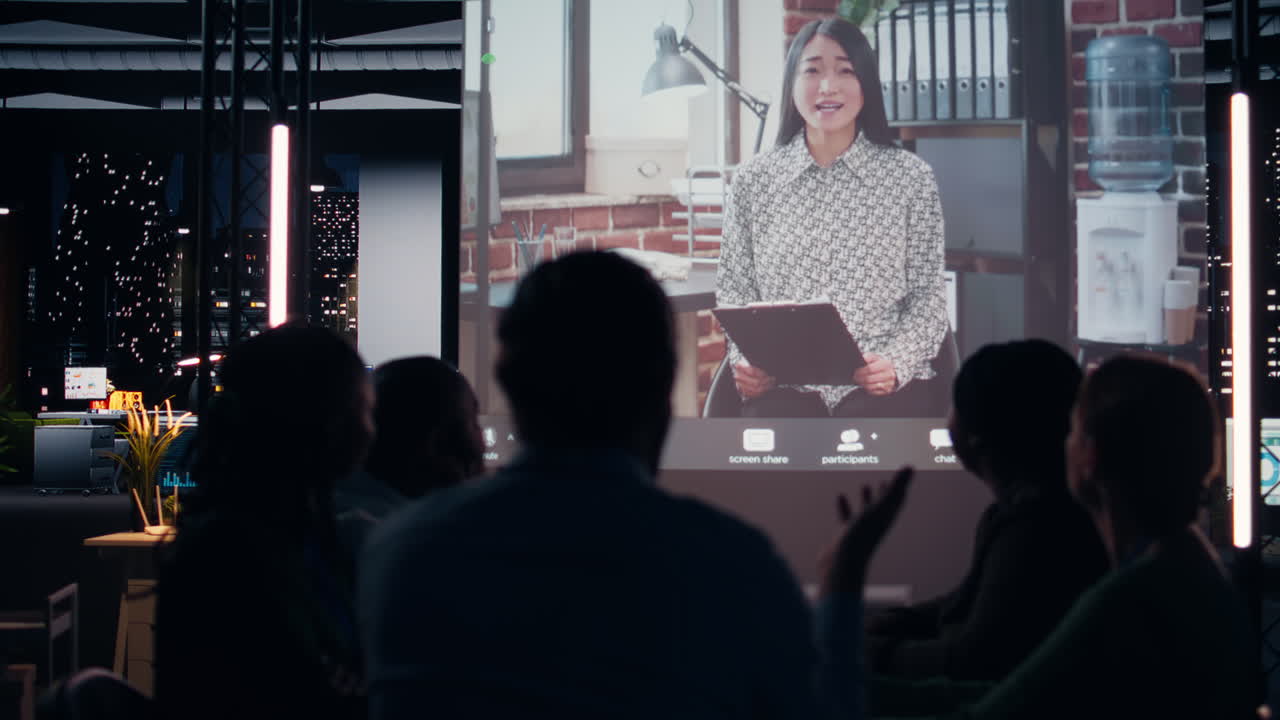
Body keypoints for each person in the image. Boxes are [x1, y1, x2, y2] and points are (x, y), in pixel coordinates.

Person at [358, 250, 894, 719]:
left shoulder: (400, 552)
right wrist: (842, 586)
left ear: (507, 387)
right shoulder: (730, 565)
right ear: (663, 387)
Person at [872, 355, 1257, 719]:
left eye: (1072, 430)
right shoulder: (1187, 566)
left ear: (1090, 455)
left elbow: (994, 710)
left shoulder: (1131, 599)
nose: (1062, 443)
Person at [717, 17, 948, 419]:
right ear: (792, 82)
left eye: (845, 70)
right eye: (812, 71)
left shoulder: (911, 179)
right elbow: (735, 292)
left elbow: (929, 299)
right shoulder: (752, 182)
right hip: (783, 386)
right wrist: (745, 362)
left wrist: (895, 363)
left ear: (866, 84)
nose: (827, 86)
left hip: (882, 387)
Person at [155, 325, 373, 720]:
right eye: (364, 409)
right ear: (322, 420)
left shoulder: (253, 532)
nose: (372, 430)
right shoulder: (241, 557)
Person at [866, 340, 1108, 682]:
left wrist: (868, 653)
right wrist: (891, 621)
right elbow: (968, 604)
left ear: (974, 436)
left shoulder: (1033, 530)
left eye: (954, 405)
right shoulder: (1031, 510)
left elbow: (972, 662)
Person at [333, 356, 484, 570]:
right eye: (474, 423)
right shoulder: (417, 551)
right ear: (437, 443)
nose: (482, 443)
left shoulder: (329, 519)